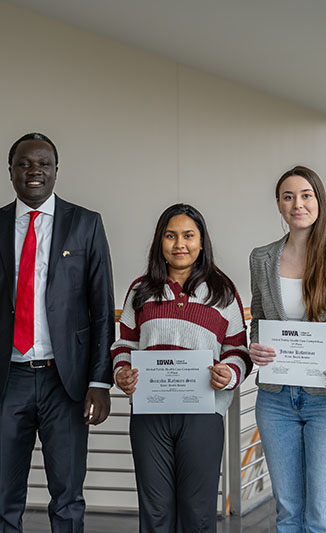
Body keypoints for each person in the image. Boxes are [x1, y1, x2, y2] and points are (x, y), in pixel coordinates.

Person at [0, 132, 115, 532]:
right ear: (10, 171)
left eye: (43, 164)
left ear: (56, 171)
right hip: (7, 379)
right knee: (6, 495)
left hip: (67, 383)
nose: (34, 171)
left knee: (67, 495)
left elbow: (101, 309)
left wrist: (100, 379)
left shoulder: (86, 224)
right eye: (24, 163)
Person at [111, 203, 251, 532]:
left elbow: (238, 350)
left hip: (203, 414)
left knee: (198, 513)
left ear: (202, 243)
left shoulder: (222, 292)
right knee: (155, 512)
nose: (180, 244)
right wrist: (121, 373)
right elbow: (124, 345)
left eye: (189, 236)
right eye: (171, 236)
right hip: (149, 414)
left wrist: (228, 374)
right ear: (160, 242)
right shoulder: (140, 290)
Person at [248, 166, 326, 532]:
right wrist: (256, 348)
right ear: (279, 206)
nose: (297, 204)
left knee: (323, 517)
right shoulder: (261, 258)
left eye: (305, 195)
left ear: (319, 201)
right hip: (275, 399)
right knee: (288, 515)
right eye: (288, 197)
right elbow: (259, 320)